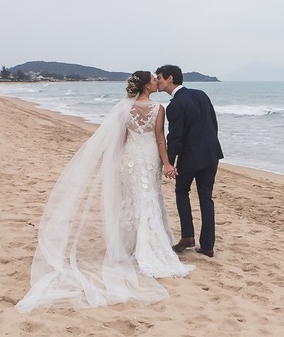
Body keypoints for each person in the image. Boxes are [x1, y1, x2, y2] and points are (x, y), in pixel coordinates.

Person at [16, 71, 192, 313]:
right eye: (152, 78)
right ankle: (148, 248)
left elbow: (119, 139)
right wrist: (168, 164)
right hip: (149, 157)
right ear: (145, 85)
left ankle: (131, 247)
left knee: (133, 201)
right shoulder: (158, 108)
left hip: (130, 158)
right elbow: (160, 139)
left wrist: (114, 162)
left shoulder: (124, 108)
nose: (155, 81)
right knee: (149, 198)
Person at [154, 64, 223, 258]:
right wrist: (210, 145)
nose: (157, 81)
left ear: (170, 79)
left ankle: (187, 237)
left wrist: (170, 163)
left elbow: (175, 137)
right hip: (211, 154)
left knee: (181, 191)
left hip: (191, 157)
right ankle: (208, 246)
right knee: (206, 198)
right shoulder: (201, 94)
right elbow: (213, 123)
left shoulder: (175, 105)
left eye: (159, 77)